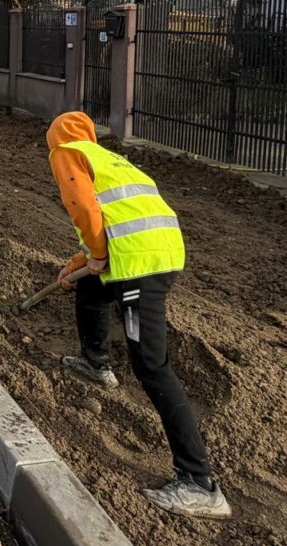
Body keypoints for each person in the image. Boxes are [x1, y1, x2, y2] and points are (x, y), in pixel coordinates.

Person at [46, 110, 231, 519]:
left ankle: (199, 482)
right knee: (91, 287)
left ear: (55, 138)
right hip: (160, 252)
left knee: (152, 366)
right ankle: (95, 362)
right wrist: (78, 263)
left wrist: (95, 254)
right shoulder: (107, 158)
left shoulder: (65, 152)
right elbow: (115, 221)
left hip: (141, 268)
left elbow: (83, 208)